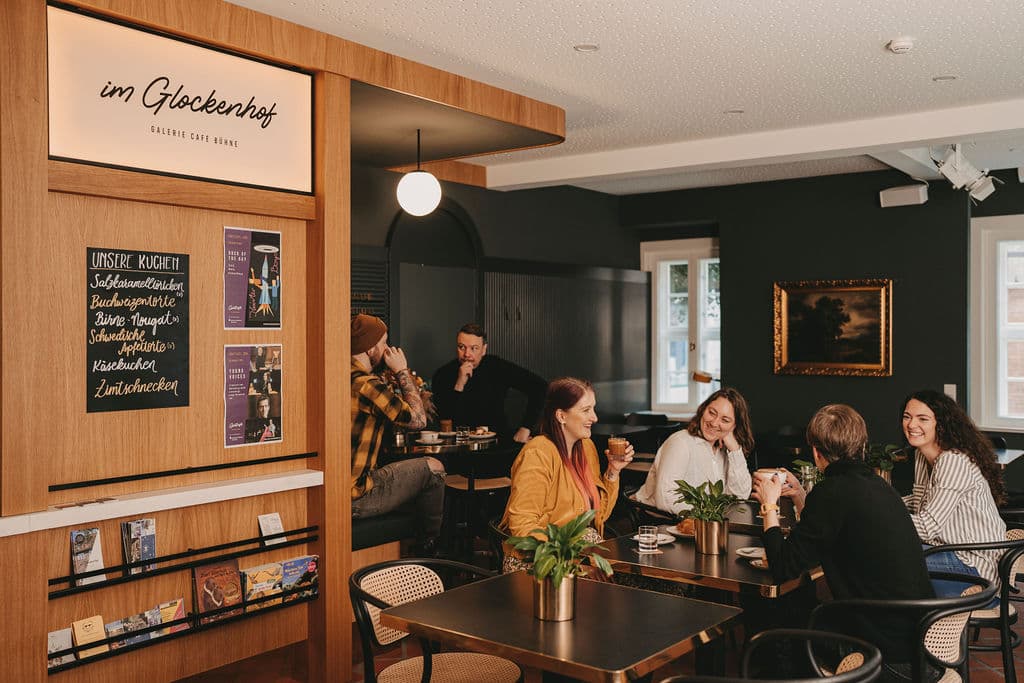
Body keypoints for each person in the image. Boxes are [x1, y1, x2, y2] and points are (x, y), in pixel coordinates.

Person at [753, 404, 935, 682]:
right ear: (861, 445)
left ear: (816, 452)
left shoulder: (832, 492)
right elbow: (830, 525)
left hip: (883, 656)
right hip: (918, 642)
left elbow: (783, 566)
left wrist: (769, 505)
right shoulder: (879, 485)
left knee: (779, 624)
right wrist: (800, 493)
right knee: (804, 606)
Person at [500, 377, 634, 572]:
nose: (595, 418)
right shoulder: (537, 453)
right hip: (537, 561)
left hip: (581, 554)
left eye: (593, 409)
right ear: (561, 416)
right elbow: (522, 526)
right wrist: (568, 553)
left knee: (645, 580)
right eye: (586, 410)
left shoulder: (586, 447)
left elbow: (598, 516)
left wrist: (613, 470)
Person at [350, 314, 446, 554]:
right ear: (370, 348)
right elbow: (419, 420)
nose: (387, 349)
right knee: (434, 468)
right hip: (356, 495)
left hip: (335, 488)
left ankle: (408, 546)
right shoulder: (367, 385)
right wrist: (402, 370)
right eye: (383, 342)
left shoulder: (338, 376)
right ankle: (429, 549)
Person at [900, 389, 1006, 597]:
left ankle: (975, 598)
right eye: (907, 417)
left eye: (923, 419)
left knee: (887, 556)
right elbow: (920, 501)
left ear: (941, 424)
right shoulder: (922, 455)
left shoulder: (953, 460)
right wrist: (883, 502)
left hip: (973, 563)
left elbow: (927, 527)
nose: (911, 425)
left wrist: (882, 516)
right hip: (942, 549)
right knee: (883, 552)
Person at [635, 387, 754, 515]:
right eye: (712, 413)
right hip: (660, 520)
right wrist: (709, 515)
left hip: (705, 521)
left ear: (734, 426)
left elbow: (740, 496)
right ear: (703, 409)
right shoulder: (680, 442)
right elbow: (665, 499)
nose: (714, 423)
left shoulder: (726, 450)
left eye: (725, 420)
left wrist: (735, 450)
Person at [432, 323, 546, 443]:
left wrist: (526, 428)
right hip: (460, 445)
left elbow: (540, 386)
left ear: (484, 349)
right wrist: (459, 384)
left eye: (474, 348)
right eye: (462, 347)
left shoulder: (496, 366)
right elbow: (445, 419)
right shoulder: (443, 374)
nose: (467, 354)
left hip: (498, 442)